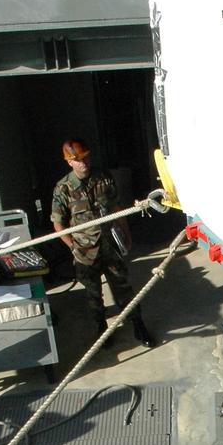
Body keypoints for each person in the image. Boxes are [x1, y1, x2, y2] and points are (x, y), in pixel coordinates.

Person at [50, 139, 157, 348]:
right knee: (93, 295)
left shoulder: (103, 178)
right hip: (84, 252)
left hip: (109, 247)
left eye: (86, 157)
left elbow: (117, 208)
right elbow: (58, 223)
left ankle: (137, 324)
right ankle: (102, 329)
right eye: (78, 160)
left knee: (124, 288)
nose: (84, 163)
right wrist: (73, 246)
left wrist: (126, 235)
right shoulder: (63, 188)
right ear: (69, 163)